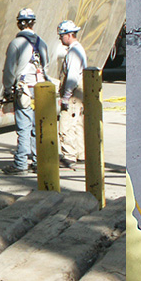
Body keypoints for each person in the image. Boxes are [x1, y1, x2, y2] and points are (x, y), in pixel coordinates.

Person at [1, 8, 52, 174]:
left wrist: (8, 89)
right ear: (33, 23)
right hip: (41, 90)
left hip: (24, 90)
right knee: (38, 127)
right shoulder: (41, 43)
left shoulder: (16, 44)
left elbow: (9, 70)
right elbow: (46, 65)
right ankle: (38, 161)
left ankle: (21, 163)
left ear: (19, 23)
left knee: (23, 127)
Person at [54, 20, 88, 169]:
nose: (60, 39)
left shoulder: (73, 53)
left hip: (73, 95)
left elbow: (72, 78)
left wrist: (65, 98)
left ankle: (69, 156)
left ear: (68, 35)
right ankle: (80, 154)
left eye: (61, 36)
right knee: (78, 124)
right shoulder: (78, 49)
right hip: (79, 94)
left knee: (66, 125)